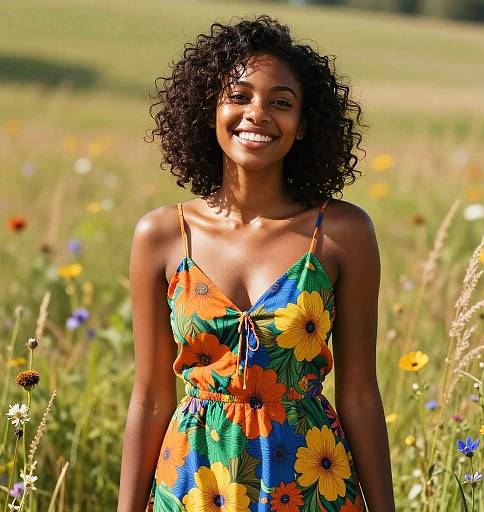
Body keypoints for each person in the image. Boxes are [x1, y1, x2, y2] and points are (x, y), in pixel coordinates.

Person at [117, 14, 395, 512]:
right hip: (192, 485)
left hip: (310, 481)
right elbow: (151, 398)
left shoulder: (341, 233)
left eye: (281, 102)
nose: (258, 113)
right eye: (239, 96)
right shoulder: (160, 235)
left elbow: (359, 396)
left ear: (304, 124)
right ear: (210, 110)